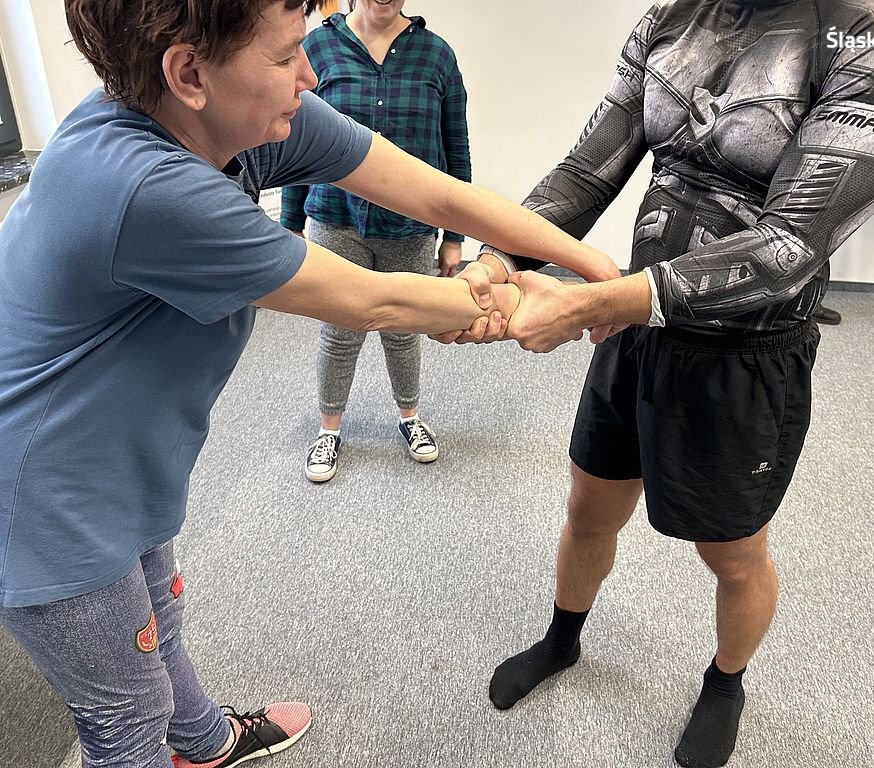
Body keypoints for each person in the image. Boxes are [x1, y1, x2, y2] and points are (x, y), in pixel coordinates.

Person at [0, 2, 621, 767]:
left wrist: (590, 265)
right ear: (189, 72)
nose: (310, 74)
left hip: (122, 462)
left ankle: (206, 744)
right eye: (286, 54)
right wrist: (572, 303)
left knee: (158, 617)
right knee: (127, 719)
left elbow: (436, 193)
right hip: (42, 496)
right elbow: (378, 301)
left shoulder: (226, 119)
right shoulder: (145, 186)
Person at [451, 2, 874, 765]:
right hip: (641, 328)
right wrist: (497, 259)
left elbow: (789, 247)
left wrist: (586, 305)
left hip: (744, 356)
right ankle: (563, 639)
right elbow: (585, 170)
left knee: (732, 554)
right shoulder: (674, 16)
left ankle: (725, 682)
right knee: (589, 510)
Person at [281, 0, 471, 481]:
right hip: (335, 218)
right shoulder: (317, 47)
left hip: (411, 225)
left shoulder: (437, 55)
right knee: (339, 332)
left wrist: (454, 236)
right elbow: (292, 139)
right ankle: (328, 430)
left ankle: (409, 418)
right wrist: (289, 224)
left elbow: (456, 147)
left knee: (404, 330)